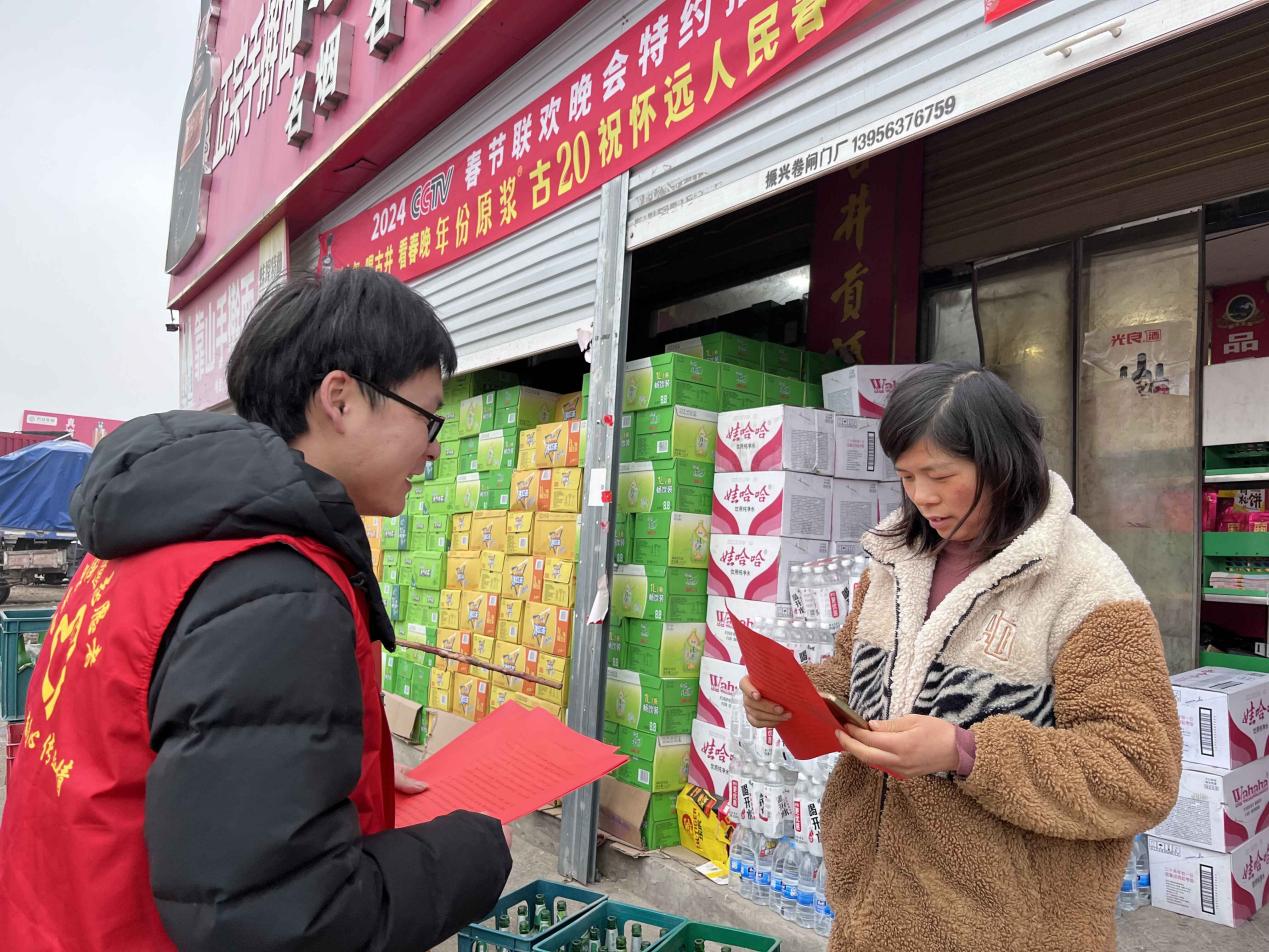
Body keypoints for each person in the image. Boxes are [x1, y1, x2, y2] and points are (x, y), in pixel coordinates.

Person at [0, 269, 513, 951]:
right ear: (341, 399)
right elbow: (277, 923)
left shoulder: (150, 540)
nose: (434, 447)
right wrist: (471, 855)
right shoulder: (274, 587)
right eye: (427, 416)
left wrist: (330, 776)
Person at [741, 363, 1182, 952]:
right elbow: (853, 672)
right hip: (872, 914)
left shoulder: (1088, 588)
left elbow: (1139, 773)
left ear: (1002, 464)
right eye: (906, 477)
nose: (922, 497)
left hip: (1013, 932)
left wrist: (966, 752)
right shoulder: (895, 564)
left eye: (940, 475)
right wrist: (795, 694)